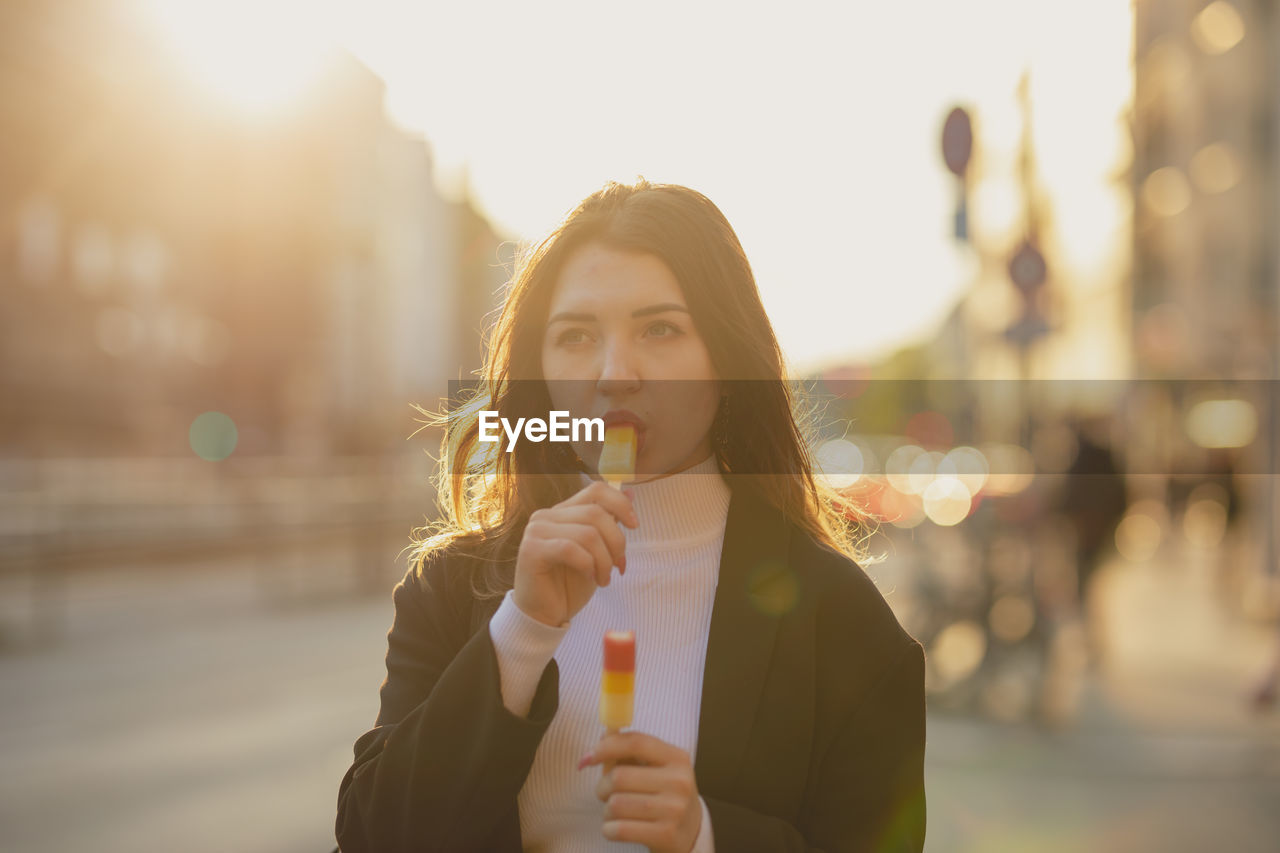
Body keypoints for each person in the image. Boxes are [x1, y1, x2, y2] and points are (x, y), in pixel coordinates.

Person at [334, 179, 926, 852]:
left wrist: (706, 836)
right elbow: (371, 836)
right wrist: (522, 631)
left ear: (728, 361)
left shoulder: (842, 619)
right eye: (577, 335)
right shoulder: (451, 587)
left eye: (661, 328)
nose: (616, 371)